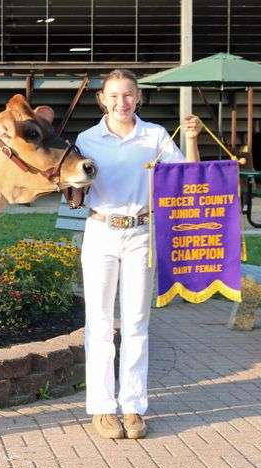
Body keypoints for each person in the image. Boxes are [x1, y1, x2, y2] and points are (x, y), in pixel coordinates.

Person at [75, 69, 202, 440]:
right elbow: (74, 187)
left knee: (135, 323)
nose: (122, 102)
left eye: (128, 94)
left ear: (138, 98)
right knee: (98, 322)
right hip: (101, 232)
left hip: (141, 233)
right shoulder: (87, 139)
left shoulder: (156, 136)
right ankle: (102, 407)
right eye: (114, 96)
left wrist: (191, 139)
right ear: (102, 99)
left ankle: (132, 406)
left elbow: (188, 177)